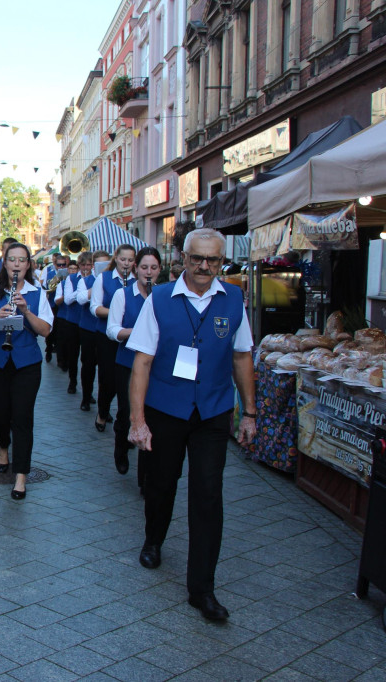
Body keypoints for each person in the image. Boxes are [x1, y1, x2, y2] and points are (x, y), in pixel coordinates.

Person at [127, 228, 256, 622]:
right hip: (166, 409)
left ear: (221, 262)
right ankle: (153, 538)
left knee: (208, 494)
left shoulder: (234, 298)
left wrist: (249, 412)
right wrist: (138, 421)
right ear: (182, 258)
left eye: (213, 260)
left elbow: (241, 358)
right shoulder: (161, 299)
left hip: (213, 412)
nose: (204, 266)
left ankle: (202, 589)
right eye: (197, 258)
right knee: (162, 482)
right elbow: (142, 363)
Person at [0, 242, 53, 500]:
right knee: (0, 415)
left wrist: (24, 310)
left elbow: (45, 330)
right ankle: (2, 446)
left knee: (22, 417)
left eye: (22, 260)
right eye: (12, 260)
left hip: (27, 364)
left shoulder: (37, 293)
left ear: (28, 265)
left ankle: (21, 476)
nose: (17, 265)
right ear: (5, 264)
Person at [107, 247, 160, 485]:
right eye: (144, 267)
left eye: (154, 268)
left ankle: (146, 474)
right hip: (128, 363)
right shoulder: (122, 295)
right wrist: (136, 332)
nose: (148, 272)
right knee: (127, 411)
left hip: (156, 366)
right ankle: (121, 448)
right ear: (136, 269)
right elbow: (112, 329)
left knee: (151, 416)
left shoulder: (163, 296)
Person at [91, 245, 135, 431]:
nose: (126, 264)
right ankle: (102, 412)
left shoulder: (137, 281)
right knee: (107, 378)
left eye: (130, 260)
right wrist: (116, 312)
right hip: (106, 336)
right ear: (116, 258)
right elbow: (95, 307)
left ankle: (124, 421)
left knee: (127, 381)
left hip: (130, 337)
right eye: (123, 259)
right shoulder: (104, 278)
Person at [74, 250, 109, 411]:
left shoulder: (114, 281)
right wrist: (97, 284)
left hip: (106, 329)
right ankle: (86, 397)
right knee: (87, 365)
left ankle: (104, 407)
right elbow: (80, 299)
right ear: (95, 265)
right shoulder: (87, 280)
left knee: (105, 369)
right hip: (88, 328)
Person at [60, 254, 84, 394]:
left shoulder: (96, 279)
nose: (86, 268)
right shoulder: (71, 278)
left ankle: (87, 391)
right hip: (72, 321)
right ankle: (72, 381)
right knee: (73, 354)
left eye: (89, 265)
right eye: (83, 265)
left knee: (88, 360)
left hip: (88, 323)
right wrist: (81, 292)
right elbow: (68, 299)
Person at [50, 256, 71, 372]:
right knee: (56, 334)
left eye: (64, 265)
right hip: (54, 308)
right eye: (59, 265)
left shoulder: (71, 278)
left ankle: (65, 360)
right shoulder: (49, 273)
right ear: (55, 265)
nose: (62, 267)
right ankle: (54, 354)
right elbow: (45, 287)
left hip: (69, 312)